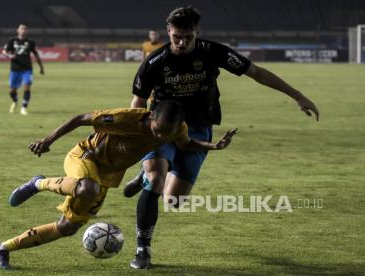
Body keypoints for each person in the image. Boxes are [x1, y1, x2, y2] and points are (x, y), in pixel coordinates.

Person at [124, 6, 320, 269]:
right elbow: (137, 102)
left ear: (197, 32)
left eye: (188, 37)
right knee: (155, 179)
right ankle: (142, 249)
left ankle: (150, 172)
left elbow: (257, 73)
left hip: (199, 127)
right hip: (163, 127)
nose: (182, 43)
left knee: (174, 201)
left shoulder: (213, 52)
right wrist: (136, 137)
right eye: (177, 37)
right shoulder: (154, 62)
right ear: (168, 31)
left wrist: (298, 95)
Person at [0, 101, 237, 270]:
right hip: (86, 156)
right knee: (87, 188)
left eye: (165, 134)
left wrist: (212, 146)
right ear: (151, 117)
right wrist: (47, 140)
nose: (160, 137)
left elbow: (184, 144)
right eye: (157, 130)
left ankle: (1, 248)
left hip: (107, 174)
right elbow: (81, 118)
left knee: (68, 227)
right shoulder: (125, 119)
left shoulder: (175, 128)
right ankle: (38, 183)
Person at [2, 23, 44, 115]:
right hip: (15, 69)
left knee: (27, 86)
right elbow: (4, 51)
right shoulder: (11, 41)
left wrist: (41, 67)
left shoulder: (31, 43)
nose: (23, 30)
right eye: (21, 29)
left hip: (27, 69)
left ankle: (23, 107)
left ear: (27, 31)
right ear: (18, 30)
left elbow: (36, 55)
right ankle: (15, 101)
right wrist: (9, 55)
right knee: (12, 90)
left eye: (25, 29)